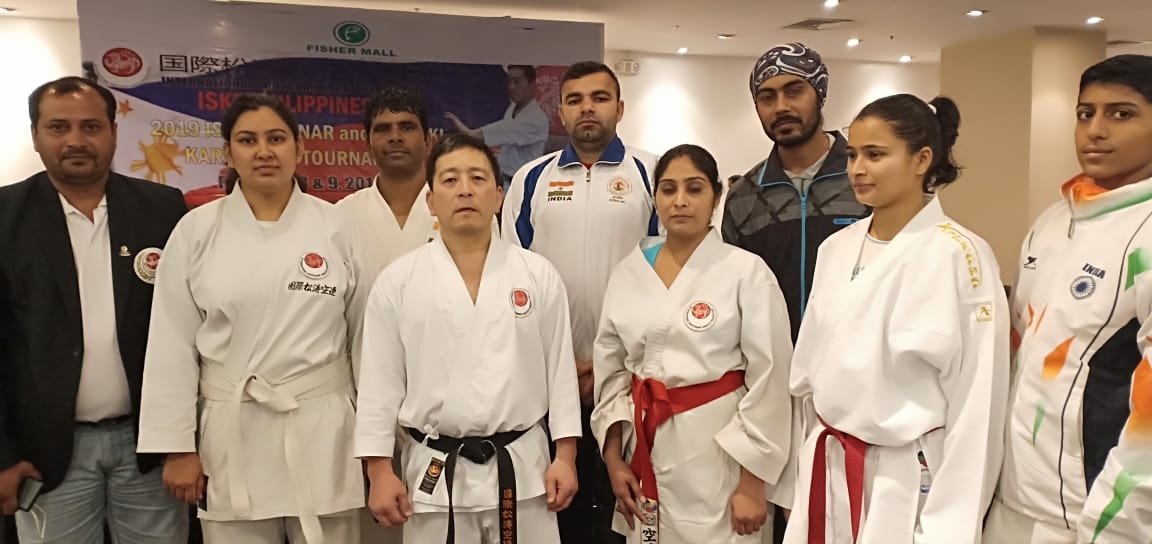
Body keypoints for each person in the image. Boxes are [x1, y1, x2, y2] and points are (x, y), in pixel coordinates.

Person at [136, 93, 364, 543]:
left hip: (324, 431)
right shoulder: (196, 230)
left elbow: (364, 340)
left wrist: (375, 446)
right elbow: (171, 343)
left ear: (299, 148)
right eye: (247, 140)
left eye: (276, 139)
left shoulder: (336, 226)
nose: (263, 151)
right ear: (228, 152)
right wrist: (177, 447)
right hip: (232, 433)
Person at [783, 94, 1009, 543]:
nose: (857, 169)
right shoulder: (836, 248)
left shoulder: (960, 254)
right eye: (852, 155)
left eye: (875, 155)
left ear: (922, 159)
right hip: (828, 463)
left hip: (904, 476)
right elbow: (809, 381)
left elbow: (978, 405)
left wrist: (949, 527)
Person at [355, 134, 581, 543]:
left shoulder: (537, 274)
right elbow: (379, 384)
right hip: (435, 475)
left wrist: (565, 455)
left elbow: (560, 374)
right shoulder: (398, 281)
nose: (464, 190)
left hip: (523, 470)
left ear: (498, 196)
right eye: (450, 180)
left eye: (477, 178)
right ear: (431, 201)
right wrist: (379, 469)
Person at [0, 76, 188, 543]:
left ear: (113, 133)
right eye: (58, 127)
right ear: (35, 136)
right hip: (46, 454)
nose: (76, 140)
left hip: (150, 448)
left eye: (90, 126)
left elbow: (189, 331)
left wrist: (183, 440)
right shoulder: (5, 216)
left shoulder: (162, 210)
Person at [984, 54, 1152, 544]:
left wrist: (1114, 527)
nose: (1095, 130)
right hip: (1011, 500)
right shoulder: (1052, 222)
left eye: (1121, 114)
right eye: (1085, 113)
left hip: (1093, 519)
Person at [591, 144, 794, 543]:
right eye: (668, 189)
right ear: (655, 198)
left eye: (694, 188)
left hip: (719, 455)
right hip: (643, 445)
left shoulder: (746, 272)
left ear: (716, 197)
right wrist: (614, 459)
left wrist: (753, 481)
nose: (680, 201)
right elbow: (611, 372)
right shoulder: (628, 272)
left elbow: (771, 377)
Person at [501, 60, 658, 544]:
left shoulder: (651, 173)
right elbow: (513, 282)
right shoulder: (530, 179)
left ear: (620, 108)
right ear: (561, 113)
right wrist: (561, 365)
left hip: (633, 375)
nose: (587, 108)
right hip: (553, 376)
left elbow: (669, 276)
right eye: (575, 100)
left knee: (627, 511)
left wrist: (613, 364)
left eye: (599, 98)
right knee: (560, 509)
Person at [722, 42, 869, 343]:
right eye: (767, 97)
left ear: (819, 94)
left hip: (856, 357)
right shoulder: (743, 197)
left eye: (794, 91)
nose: (781, 107)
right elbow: (733, 294)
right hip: (773, 361)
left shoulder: (865, 179)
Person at [445, 65, 550, 189]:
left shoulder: (535, 119)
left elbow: (474, 136)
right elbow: (507, 146)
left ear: (532, 85)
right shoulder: (512, 109)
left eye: (517, 82)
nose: (511, 87)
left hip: (523, 185)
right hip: (504, 181)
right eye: (509, 82)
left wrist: (459, 125)